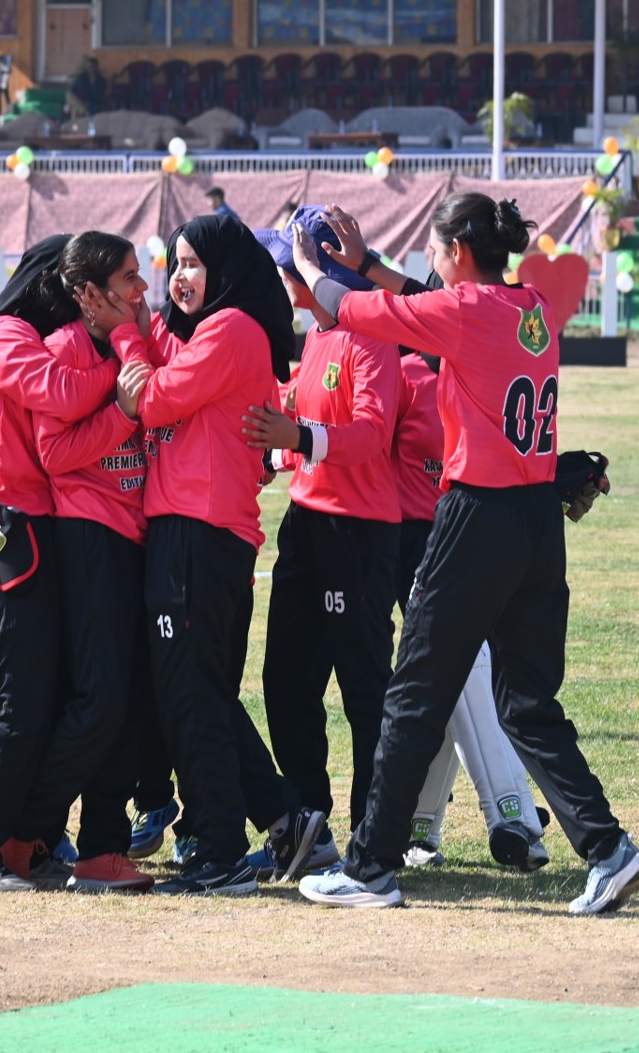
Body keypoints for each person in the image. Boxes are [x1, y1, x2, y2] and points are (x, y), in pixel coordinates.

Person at [291, 194, 639, 913]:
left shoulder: (463, 313)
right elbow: (427, 300)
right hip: (534, 522)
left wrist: (317, 267)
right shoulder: (530, 308)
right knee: (525, 702)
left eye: (435, 246)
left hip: (476, 517)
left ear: (457, 250)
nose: (430, 259)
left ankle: (369, 869)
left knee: (413, 693)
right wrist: (367, 263)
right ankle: (609, 850)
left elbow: (358, 309)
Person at [0, 236, 145, 895]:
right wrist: (125, 370)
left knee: (51, 698)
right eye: (82, 288)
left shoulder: (40, 336)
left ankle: (26, 842)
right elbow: (59, 395)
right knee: (20, 703)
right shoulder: (5, 333)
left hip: (40, 526)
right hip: (7, 525)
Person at [126, 213, 326, 896]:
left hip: (198, 530)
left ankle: (218, 849)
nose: (179, 278)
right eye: (173, 264)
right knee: (198, 689)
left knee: (190, 696)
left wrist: (126, 334)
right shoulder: (208, 328)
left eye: (193, 264)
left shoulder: (232, 327)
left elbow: (152, 400)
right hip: (195, 530)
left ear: (226, 269)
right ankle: (281, 816)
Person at [240, 207, 398, 874]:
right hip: (305, 528)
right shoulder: (318, 338)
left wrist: (298, 438)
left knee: (364, 690)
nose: (280, 278)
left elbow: (370, 435)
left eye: (287, 266)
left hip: (357, 536)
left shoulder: (370, 336)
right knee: (286, 681)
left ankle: (372, 835)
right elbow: (298, 420)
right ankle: (309, 824)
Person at [384, 317, 551, 874]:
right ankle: (500, 815)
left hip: (473, 536)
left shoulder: (483, 369)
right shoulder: (407, 372)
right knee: (458, 674)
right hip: (415, 540)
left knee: (459, 675)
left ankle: (483, 817)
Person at [26, 231, 159, 893]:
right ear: (86, 294)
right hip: (88, 535)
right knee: (99, 697)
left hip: (139, 534)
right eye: (127, 279)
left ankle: (104, 848)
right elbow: (55, 454)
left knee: (129, 700)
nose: (140, 290)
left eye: (140, 276)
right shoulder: (64, 352)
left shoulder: (137, 342)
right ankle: (27, 831)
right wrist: (122, 412)